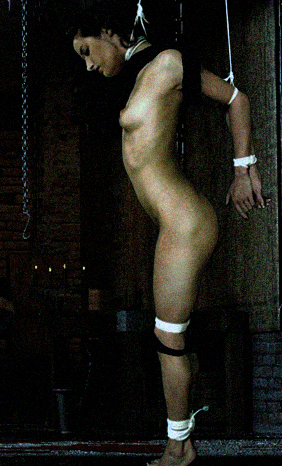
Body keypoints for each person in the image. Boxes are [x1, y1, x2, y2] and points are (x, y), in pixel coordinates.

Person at [71, 2, 264, 465]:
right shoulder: (141, 73)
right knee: (172, 337)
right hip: (176, 223)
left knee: (167, 338)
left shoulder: (169, 63)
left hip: (185, 222)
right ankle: (183, 436)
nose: (88, 64)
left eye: (86, 50)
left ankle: (180, 448)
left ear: (107, 31)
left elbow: (237, 99)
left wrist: (244, 169)